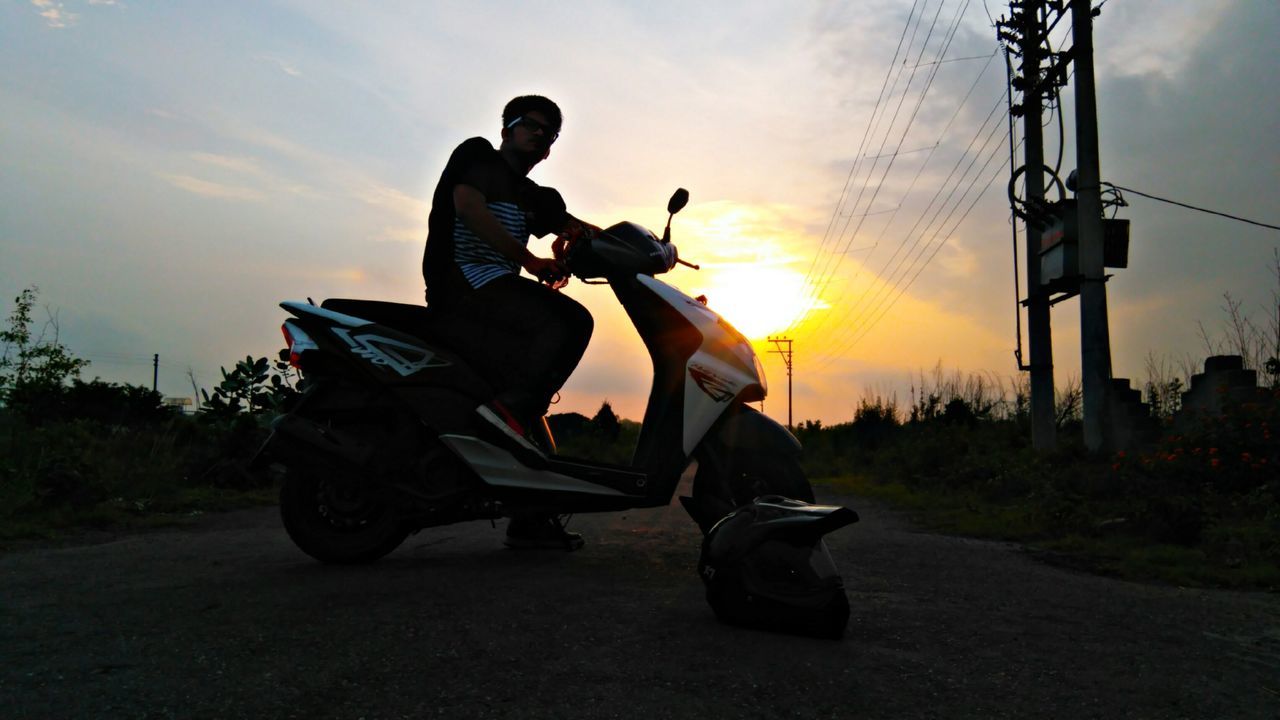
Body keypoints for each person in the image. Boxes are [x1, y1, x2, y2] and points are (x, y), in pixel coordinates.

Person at [422, 95, 595, 550]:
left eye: (550, 133)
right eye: (532, 126)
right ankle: (506, 414)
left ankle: (531, 518)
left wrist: (640, 247)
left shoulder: (534, 197)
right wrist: (532, 262)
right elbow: (469, 208)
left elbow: (577, 229)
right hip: (464, 289)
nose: (540, 137)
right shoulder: (476, 156)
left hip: (494, 293)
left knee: (529, 390)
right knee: (570, 322)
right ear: (508, 128)